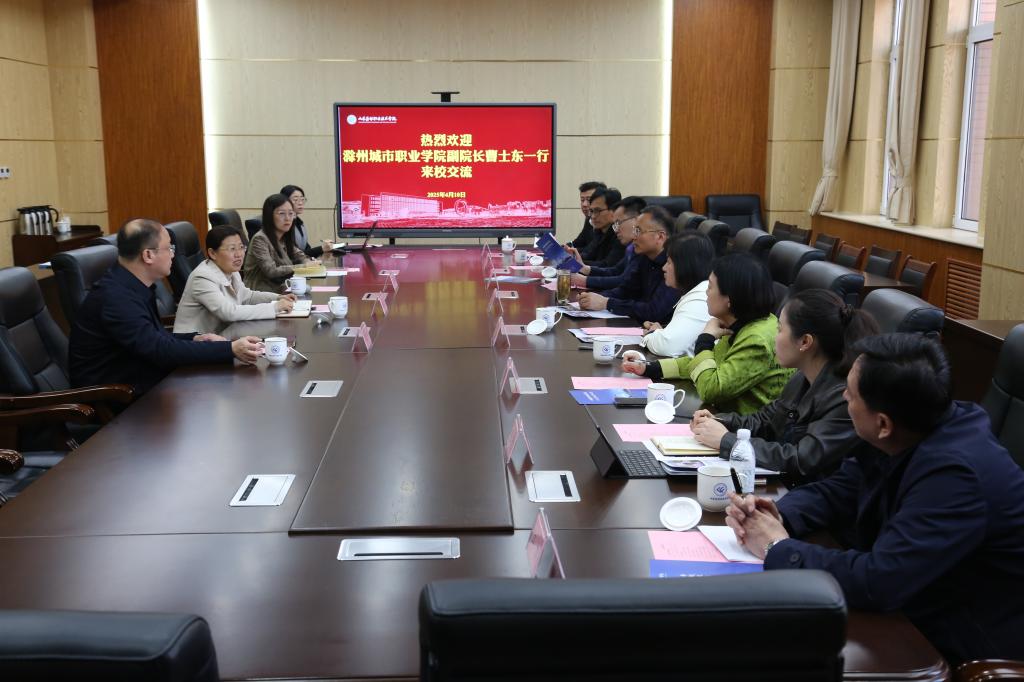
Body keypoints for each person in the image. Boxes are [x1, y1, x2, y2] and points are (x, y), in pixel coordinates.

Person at [724, 334, 1024, 665]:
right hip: (912, 605)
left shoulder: (956, 476)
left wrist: (777, 547)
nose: (843, 396)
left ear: (882, 424)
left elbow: (881, 580)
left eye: (850, 395)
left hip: (960, 645)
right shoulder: (908, 426)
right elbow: (840, 488)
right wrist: (779, 514)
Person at [690, 288, 879, 484]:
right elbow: (765, 421)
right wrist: (718, 421)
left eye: (780, 329)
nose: (775, 337)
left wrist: (728, 441)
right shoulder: (801, 377)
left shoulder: (844, 397)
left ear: (805, 342)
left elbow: (802, 459)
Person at [69, 219, 264, 396]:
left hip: (143, 381)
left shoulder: (131, 286)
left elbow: (152, 338)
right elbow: (159, 349)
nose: (173, 254)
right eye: (169, 248)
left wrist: (195, 338)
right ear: (148, 255)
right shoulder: (116, 298)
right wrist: (229, 349)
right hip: (117, 400)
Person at [622, 252, 790, 414]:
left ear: (729, 299)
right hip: (721, 416)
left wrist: (705, 341)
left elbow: (711, 389)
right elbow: (707, 364)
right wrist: (649, 367)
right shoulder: (741, 322)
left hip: (743, 427)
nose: (706, 293)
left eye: (710, 287)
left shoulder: (756, 340)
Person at [173, 225, 296, 335]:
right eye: (232, 249)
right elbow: (229, 313)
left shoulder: (230, 270)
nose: (239, 254)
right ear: (212, 253)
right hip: (195, 343)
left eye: (241, 247)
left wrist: (277, 298)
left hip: (224, 334)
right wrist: (274, 307)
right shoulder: (202, 277)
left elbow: (248, 297)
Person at [579, 205, 681, 328]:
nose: (633, 237)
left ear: (660, 236)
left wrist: (607, 303)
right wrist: (593, 298)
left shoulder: (676, 265)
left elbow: (654, 311)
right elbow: (626, 290)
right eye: (634, 230)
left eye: (638, 231)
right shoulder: (644, 256)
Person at [638, 231, 714, 357]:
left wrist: (651, 335)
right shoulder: (697, 291)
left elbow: (668, 346)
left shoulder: (701, 297)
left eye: (668, 262)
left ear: (685, 265)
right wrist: (662, 332)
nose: (664, 268)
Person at [569, 196, 645, 291]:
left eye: (619, 223)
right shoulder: (632, 247)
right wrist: (584, 268)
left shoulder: (645, 250)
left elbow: (623, 281)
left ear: (637, 220)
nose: (616, 230)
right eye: (615, 225)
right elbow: (616, 271)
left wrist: (585, 280)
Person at [243, 193, 309, 293]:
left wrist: (307, 262)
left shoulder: (283, 237)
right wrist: (302, 267)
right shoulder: (260, 239)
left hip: (281, 289)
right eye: (282, 213)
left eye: (291, 213)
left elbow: (299, 255)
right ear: (269, 216)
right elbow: (271, 271)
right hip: (260, 293)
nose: (287, 218)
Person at [573, 187, 623, 267]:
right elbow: (588, 254)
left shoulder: (621, 234)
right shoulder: (599, 231)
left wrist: (575, 263)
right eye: (591, 211)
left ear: (614, 210)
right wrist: (570, 256)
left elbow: (607, 265)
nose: (593, 216)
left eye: (597, 211)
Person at [280, 184, 331, 258]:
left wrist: (323, 248)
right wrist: (321, 249)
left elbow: (307, 249)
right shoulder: (284, 225)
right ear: (284, 201)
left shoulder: (299, 223)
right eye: (295, 200)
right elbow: (292, 255)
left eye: (302, 199)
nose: (300, 203)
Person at [565, 180, 605, 250]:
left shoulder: (610, 226)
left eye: (589, 200)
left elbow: (594, 251)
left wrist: (572, 251)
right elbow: (577, 242)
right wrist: (560, 248)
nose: (584, 204)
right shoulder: (589, 219)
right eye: (582, 200)